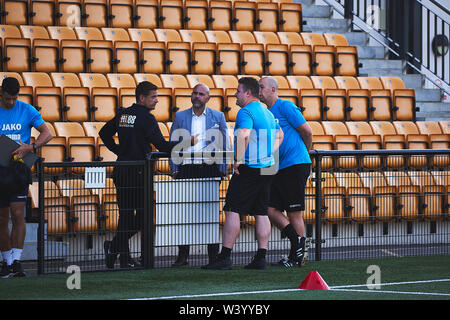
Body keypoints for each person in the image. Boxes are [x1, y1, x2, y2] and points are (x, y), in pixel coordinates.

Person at [99, 81, 196, 269]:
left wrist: (118, 150)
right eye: (153, 96)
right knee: (142, 217)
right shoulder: (147, 119)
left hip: (122, 171)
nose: (157, 100)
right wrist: (187, 142)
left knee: (126, 216)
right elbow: (163, 147)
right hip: (139, 174)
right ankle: (117, 249)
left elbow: (104, 133)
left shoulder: (124, 114)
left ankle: (121, 255)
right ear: (142, 98)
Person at [202, 77, 283, 270]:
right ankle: (261, 257)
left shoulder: (246, 111)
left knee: (233, 209)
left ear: (247, 93)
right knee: (261, 211)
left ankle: (225, 257)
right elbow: (280, 135)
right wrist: (268, 153)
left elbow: (243, 134)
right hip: (267, 167)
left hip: (249, 168)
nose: (235, 94)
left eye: (238, 91)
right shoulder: (267, 112)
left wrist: (237, 159)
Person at [169, 84, 228, 267]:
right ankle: (183, 256)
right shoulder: (180, 116)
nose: (197, 96)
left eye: (201, 94)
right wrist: (174, 169)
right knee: (184, 214)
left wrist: (221, 169)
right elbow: (173, 143)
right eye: (195, 93)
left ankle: (213, 256)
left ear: (208, 98)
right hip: (186, 169)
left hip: (209, 168)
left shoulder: (218, 117)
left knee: (210, 213)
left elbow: (224, 144)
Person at [0, 77, 53, 278]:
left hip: (19, 169)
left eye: (14, 98)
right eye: (7, 99)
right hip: (0, 168)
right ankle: (6, 262)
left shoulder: (27, 109)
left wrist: (30, 147)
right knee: (2, 218)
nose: (11, 102)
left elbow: (47, 133)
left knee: (18, 215)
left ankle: (17, 261)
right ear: (1, 94)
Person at [258, 76, 313, 268]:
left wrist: (303, 155)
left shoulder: (286, 106)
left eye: (262, 87)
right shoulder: (265, 113)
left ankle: (298, 256)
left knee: (294, 212)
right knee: (269, 208)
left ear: (273, 89)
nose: (259, 90)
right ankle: (297, 245)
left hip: (295, 165)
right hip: (277, 168)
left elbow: (307, 131)